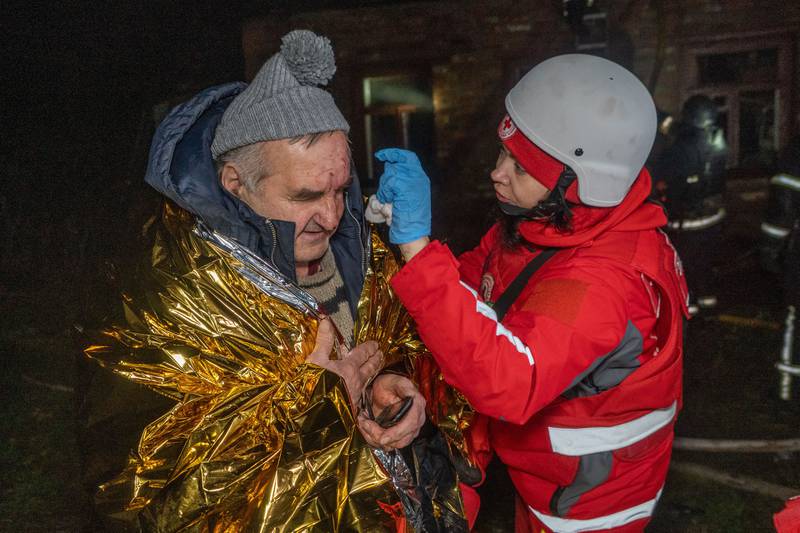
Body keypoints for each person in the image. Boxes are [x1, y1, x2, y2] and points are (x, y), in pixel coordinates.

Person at [79, 30, 441, 531]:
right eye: (305, 196)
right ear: (235, 184)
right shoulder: (173, 292)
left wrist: (393, 389)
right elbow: (147, 491)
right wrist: (311, 396)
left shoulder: (362, 254)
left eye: (341, 189)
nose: (332, 216)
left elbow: (411, 355)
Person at [373, 54, 689, 532]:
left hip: (587, 503)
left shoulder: (605, 281)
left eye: (520, 167)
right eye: (502, 154)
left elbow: (508, 380)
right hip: (541, 467)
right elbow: (472, 289)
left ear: (579, 182)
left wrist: (418, 249)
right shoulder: (549, 224)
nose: (498, 173)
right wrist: (414, 254)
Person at [652, 94, 728, 313]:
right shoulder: (718, 140)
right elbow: (676, 129)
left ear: (688, 118)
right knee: (705, 265)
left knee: (685, 267)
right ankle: (708, 305)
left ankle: (689, 309)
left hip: (687, 223)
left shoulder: (678, 150)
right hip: (713, 219)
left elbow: (661, 175)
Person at [759, 134, 800, 401]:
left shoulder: (795, 154)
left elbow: (783, 208)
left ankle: (787, 390)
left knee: (795, 317)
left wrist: (770, 249)